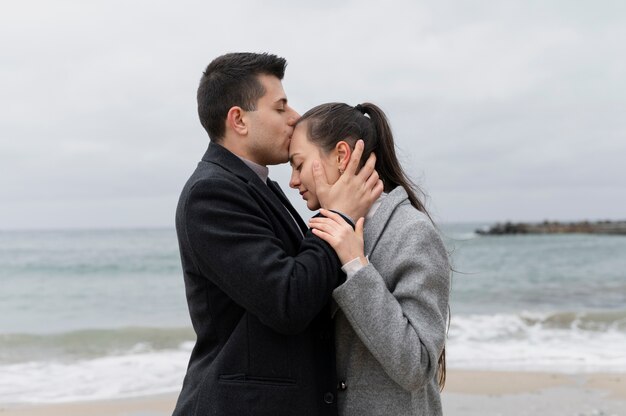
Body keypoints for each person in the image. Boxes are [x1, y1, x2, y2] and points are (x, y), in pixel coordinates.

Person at [173, 53, 383, 416]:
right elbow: (287, 301)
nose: (295, 117)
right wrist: (339, 215)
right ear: (238, 120)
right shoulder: (210, 194)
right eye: (280, 107)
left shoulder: (258, 185)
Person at [288, 102, 451, 416]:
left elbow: (416, 366)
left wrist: (355, 263)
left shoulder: (412, 232)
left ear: (341, 156)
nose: (293, 180)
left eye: (298, 164)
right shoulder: (322, 231)